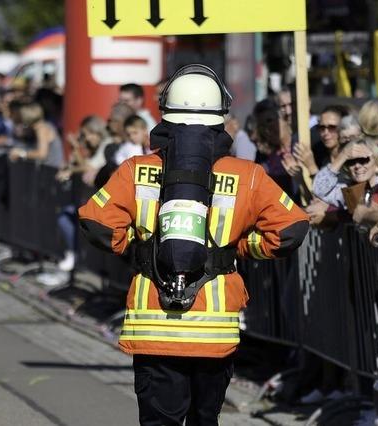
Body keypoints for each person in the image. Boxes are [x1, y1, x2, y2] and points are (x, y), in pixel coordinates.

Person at [79, 64, 309, 425]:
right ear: (220, 115)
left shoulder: (136, 169)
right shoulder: (246, 175)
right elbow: (292, 229)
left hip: (153, 325)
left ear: (166, 113)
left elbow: (96, 223)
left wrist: (138, 247)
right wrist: (241, 248)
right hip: (214, 331)